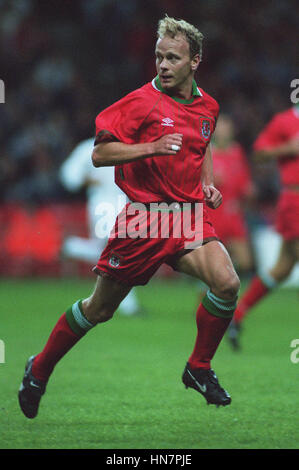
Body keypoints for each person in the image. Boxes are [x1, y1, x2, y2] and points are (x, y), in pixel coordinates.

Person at [18, 15, 240, 419]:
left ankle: (198, 367)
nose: (163, 65)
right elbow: (100, 154)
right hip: (144, 219)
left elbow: (201, 142)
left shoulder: (208, 105)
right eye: (159, 57)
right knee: (99, 310)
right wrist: (151, 147)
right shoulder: (140, 102)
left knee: (226, 283)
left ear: (195, 61)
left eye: (173, 58)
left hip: (188, 216)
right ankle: (39, 368)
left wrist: (206, 183)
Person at [227, 104, 299, 349]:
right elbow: (258, 152)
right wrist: (288, 148)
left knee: (283, 268)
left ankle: (236, 315)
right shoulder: (285, 121)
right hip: (295, 199)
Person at [59, 137, 142, 316]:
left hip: (124, 202)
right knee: (120, 250)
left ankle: (73, 247)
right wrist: (88, 180)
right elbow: (68, 175)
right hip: (101, 204)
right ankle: (128, 305)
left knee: (108, 252)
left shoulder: (127, 144)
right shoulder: (88, 147)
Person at [206, 114, 255, 277]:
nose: (224, 132)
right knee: (212, 264)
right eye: (220, 128)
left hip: (234, 215)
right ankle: (214, 288)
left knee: (245, 261)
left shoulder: (237, 151)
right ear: (214, 131)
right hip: (213, 215)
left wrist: (248, 190)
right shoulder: (207, 153)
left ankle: (224, 280)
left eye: (227, 128)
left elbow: (243, 181)